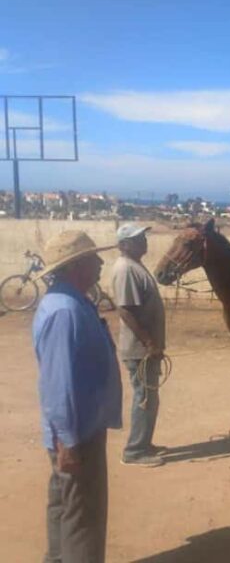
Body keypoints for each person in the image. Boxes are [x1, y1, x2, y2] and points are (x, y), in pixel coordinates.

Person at [32, 230, 122, 563]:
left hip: (78, 430)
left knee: (65, 508)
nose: (100, 263)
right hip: (76, 435)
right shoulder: (64, 311)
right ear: (75, 266)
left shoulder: (73, 301)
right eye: (92, 258)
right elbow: (57, 384)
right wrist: (67, 442)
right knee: (83, 518)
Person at [111, 223, 167, 466]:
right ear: (123, 245)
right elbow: (125, 310)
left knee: (149, 396)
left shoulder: (134, 265)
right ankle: (135, 451)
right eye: (137, 238)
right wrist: (148, 342)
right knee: (144, 397)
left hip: (146, 346)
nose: (144, 241)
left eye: (143, 237)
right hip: (140, 348)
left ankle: (144, 443)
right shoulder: (125, 269)